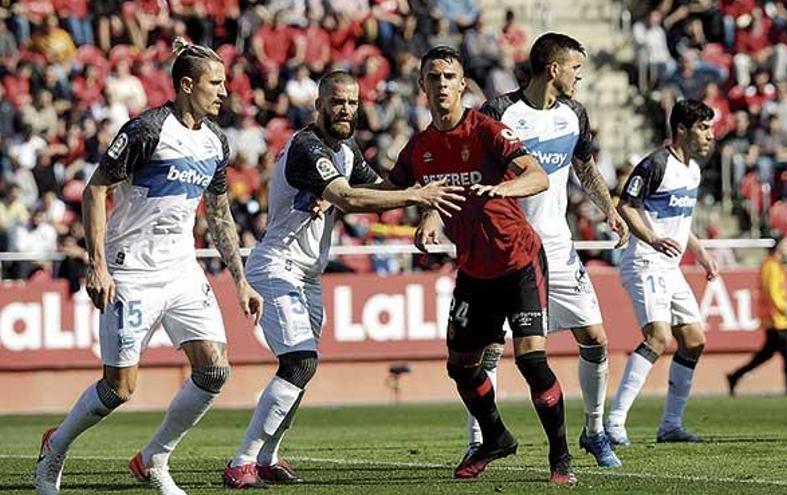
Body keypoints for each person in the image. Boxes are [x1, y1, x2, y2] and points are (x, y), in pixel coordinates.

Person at [34, 38, 264, 495]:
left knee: (215, 371)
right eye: (215, 83)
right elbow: (96, 190)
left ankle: (155, 457)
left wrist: (240, 280)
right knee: (119, 389)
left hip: (181, 271)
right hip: (131, 271)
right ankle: (56, 445)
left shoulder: (216, 141)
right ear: (185, 85)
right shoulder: (147, 130)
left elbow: (218, 215)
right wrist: (97, 265)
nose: (224, 92)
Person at [221, 71, 465, 489]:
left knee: (302, 367)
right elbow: (350, 199)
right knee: (299, 361)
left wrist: (422, 172)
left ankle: (267, 457)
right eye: (337, 102)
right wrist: (416, 196)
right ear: (318, 105)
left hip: (308, 274)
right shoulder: (306, 147)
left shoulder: (346, 150)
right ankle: (241, 461)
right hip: (277, 267)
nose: (346, 110)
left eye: (352, 103)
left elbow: (382, 187)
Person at [435, 32, 629, 468]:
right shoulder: (500, 113)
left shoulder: (574, 114)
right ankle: (481, 438)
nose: (580, 76)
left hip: (556, 246)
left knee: (595, 338)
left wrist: (609, 210)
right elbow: (466, 171)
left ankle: (594, 432)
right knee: (489, 349)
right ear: (553, 69)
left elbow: (585, 167)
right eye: (575, 68)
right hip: (505, 249)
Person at [390, 46, 575, 485]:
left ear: (462, 84)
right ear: (422, 86)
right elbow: (391, 188)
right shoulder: (420, 148)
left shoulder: (487, 130)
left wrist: (502, 189)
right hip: (475, 272)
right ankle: (494, 436)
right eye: (432, 77)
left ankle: (561, 456)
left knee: (531, 360)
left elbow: (538, 175)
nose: (441, 85)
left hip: (519, 260)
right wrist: (336, 194)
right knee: (460, 366)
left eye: (449, 77)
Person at [605, 99, 717, 446]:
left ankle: (670, 425)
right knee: (658, 336)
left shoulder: (693, 171)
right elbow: (625, 205)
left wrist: (701, 253)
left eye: (710, 128)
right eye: (703, 128)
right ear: (682, 130)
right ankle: (614, 422)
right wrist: (652, 238)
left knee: (694, 341)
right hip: (644, 261)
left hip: (670, 267)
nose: (710, 135)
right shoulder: (655, 164)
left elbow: (681, 222)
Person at [726, 238, 787, 396]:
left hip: (776, 317)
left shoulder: (773, 265)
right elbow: (772, 292)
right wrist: (783, 309)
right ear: (778, 248)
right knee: (785, 353)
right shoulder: (771, 266)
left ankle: (735, 376)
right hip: (776, 318)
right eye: (786, 246)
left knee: (767, 354)